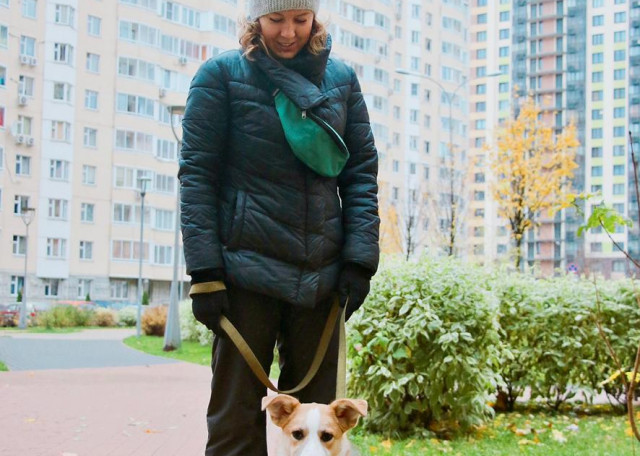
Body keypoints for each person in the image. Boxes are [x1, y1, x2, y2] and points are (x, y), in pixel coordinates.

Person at [178, 0, 380, 454]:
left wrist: (359, 261)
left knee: (317, 429)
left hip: (321, 278)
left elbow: (361, 174)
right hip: (244, 274)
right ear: (255, 20)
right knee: (234, 424)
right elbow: (197, 176)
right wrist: (205, 273)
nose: (289, 32)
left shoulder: (342, 80)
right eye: (276, 20)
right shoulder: (220, 76)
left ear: (315, 18)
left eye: (300, 19)